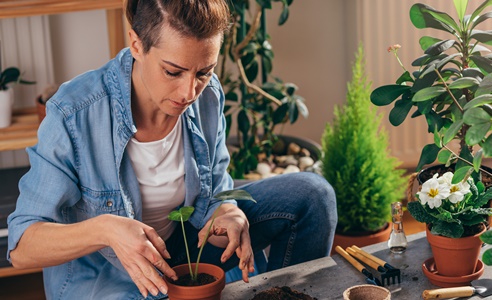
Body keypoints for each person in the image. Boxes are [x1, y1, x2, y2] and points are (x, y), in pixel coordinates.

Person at [6, 0, 337, 299]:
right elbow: (22, 247)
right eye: (173, 71)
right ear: (137, 44)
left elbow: (214, 194)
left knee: (313, 195)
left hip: (186, 249)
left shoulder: (207, 94)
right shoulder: (74, 112)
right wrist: (106, 230)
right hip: (112, 278)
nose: (189, 91)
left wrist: (228, 214)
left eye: (204, 72)